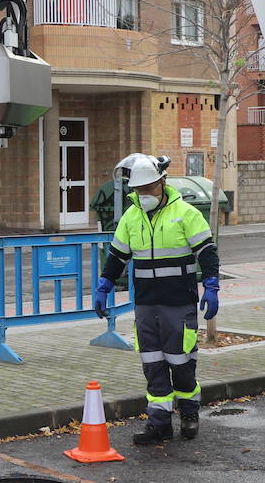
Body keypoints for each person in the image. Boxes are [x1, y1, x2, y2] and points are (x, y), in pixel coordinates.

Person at [93, 154, 220, 445]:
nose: (144, 194)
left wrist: (211, 285)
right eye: (138, 190)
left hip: (179, 302)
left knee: (182, 363)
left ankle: (189, 414)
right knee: (153, 364)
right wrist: (104, 284)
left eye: (149, 188)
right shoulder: (131, 216)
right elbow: (117, 256)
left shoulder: (186, 213)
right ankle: (159, 423)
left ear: (162, 183)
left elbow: (207, 252)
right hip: (147, 303)